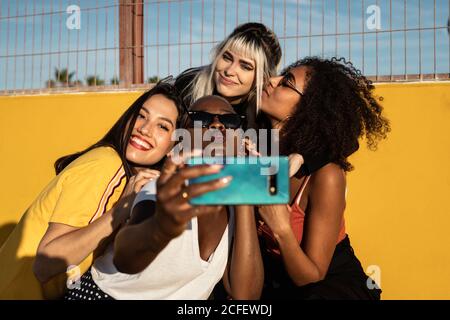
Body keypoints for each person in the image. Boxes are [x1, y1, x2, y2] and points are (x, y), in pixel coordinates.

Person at [63, 95, 263, 300]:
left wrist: (244, 191)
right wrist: (162, 227)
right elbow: (126, 257)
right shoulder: (158, 189)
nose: (217, 125)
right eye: (200, 119)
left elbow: (245, 296)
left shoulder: (235, 209)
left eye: (230, 121)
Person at [0, 82, 184, 299]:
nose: (145, 129)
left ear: (173, 146)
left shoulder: (127, 178)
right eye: (141, 116)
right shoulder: (106, 164)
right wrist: (120, 211)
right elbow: (44, 264)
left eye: (163, 126)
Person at [257, 57, 391, 299]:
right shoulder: (258, 149)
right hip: (278, 282)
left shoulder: (325, 175)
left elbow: (312, 276)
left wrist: (281, 228)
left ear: (307, 108)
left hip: (329, 287)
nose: (271, 80)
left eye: (286, 82)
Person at [175, 22, 282, 129]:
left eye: (245, 67)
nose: (229, 71)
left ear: (263, 78)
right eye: (227, 57)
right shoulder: (187, 89)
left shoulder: (264, 117)